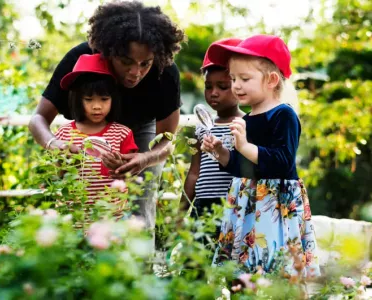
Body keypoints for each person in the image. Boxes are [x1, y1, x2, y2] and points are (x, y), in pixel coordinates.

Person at [29, 1, 185, 229]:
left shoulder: (166, 71)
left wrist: (146, 158)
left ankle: (140, 264)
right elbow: (38, 119)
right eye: (126, 62)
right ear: (108, 52)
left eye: (145, 64)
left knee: (139, 207)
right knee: (78, 204)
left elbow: (167, 140)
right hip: (84, 133)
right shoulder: (80, 58)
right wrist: (55, 145)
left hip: (140, 133)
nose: (136, 73)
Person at [202, 34, 320, 277]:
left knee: (275, 267)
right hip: (247, 201)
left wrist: (244, 146)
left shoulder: (283, 115)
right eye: (233, 78)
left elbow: (282, 161)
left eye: (245, 78)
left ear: (271, 80)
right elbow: (241, 166)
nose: (236, 85)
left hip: (274, 203)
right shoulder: (246, 119)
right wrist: (222, 152)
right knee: (243, 270)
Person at [54, 53, 138, 226]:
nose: (97, 106)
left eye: (104, 99)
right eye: (89, 99)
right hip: (73, 219)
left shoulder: (122, 133)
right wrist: (66, 166)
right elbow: (56, 176)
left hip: (111, 219)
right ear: (77, 100)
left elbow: (131, 176)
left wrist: (119, 168)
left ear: (113, 99)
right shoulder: (64, 134)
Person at [180, 38, 245, 226]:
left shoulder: (246, 124)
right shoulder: (200, 127)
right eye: (209, 87)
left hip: (234, 206)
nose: (214, 93)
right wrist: (181, 212)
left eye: (223, 87)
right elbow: (194, 173)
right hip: (202, 207)